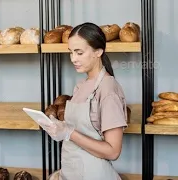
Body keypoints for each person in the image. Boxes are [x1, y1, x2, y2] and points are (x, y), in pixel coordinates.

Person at [39, 22, 128, 180]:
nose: (73, 59)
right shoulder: (80, 86)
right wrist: (58, 129)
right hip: (72, 173)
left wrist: (69, 132)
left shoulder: (108, 90)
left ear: (98, 51)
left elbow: (113, 151)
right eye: (71, 52)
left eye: (79, 53)